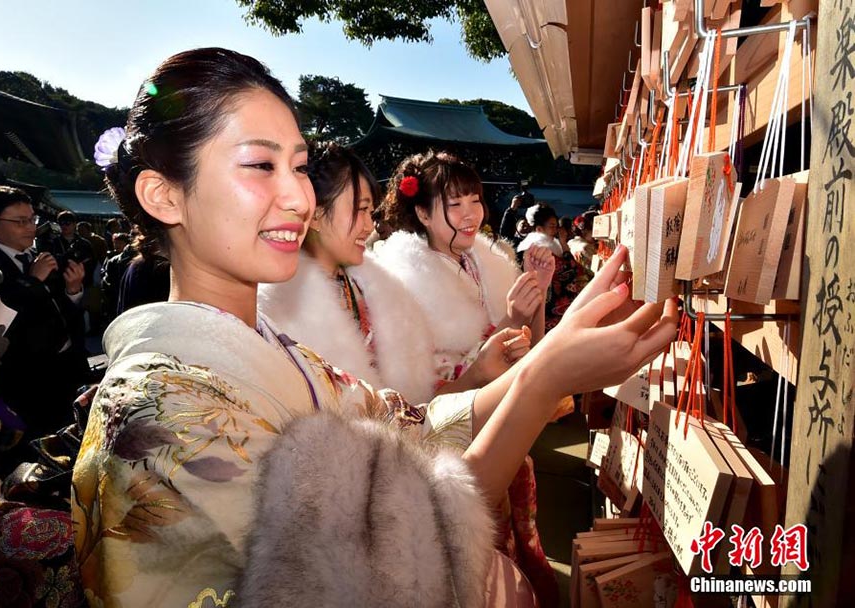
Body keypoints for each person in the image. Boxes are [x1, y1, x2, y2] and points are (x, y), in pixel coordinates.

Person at [73, 47, 676, 607]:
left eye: (302, 167)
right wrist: (544, 378)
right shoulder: (160, 419)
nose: (298, 198)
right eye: (260, 164)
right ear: (164, 195)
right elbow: (385, 572)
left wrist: (549, 348)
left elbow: (405, 428)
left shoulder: (276, 351)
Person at [375, 151, 567, 601]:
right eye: (454, 204)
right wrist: (507, 327)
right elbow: (421, 402)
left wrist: (535, 298)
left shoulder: (485, 262)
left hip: (500, 421)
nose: (470, 215)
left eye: (475, 201)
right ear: (421, 212)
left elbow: (523, 353)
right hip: (451, 443)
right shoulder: (400, 283)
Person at [260, 144, 530, 404]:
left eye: (370, 211)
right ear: (316, 214)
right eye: (360, 210)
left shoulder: (374, 286)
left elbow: (415, 402)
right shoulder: (280, 307)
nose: (369, 225)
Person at [0, 186, 90, 443]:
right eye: (19, 221)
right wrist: (32, 281)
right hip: (25, 384)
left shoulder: (43, 257)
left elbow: (64, 313)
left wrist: (73, 291)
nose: (29, 227)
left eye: (32, 219)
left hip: (68, 372)